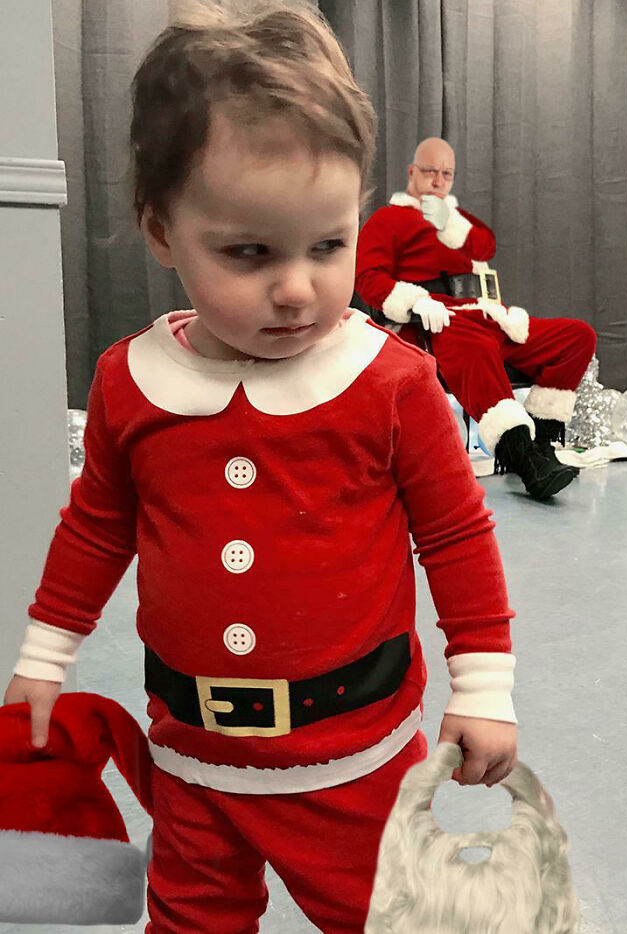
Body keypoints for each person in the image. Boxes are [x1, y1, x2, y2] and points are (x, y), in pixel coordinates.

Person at [3, 5, 519, 933]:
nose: (297, 287)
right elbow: (96, 526)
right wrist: (46, 655)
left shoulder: (391, 381)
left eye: (328, 246)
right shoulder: (133, 380)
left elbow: (454, 534)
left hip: (354, 764)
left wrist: (482, 688)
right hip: (191, 759)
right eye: (249, 252)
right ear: (161, 232)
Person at [355, 137, 597, 501]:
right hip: (431, 323)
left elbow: (485, 245)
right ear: (412, 172)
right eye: (430, 172)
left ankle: (543, 444)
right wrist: (415, 302)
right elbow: (367, 278)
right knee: (471, 341)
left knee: (576, 336)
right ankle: (522, 456)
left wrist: (451, 223)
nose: (438, 181)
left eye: (447, 174)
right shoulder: (387, 219)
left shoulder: (454, 221)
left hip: (481, 314)